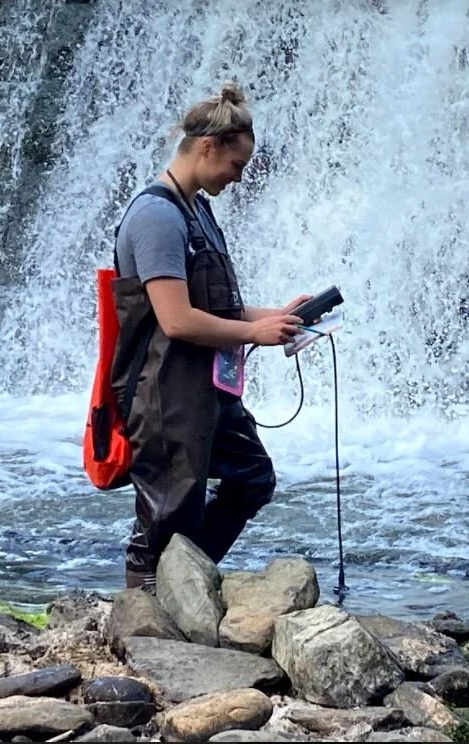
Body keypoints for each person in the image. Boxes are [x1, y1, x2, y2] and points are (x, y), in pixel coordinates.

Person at [110, 82, 307, 592]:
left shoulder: (196, 209)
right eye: (236, 166)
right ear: (207, 148)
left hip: (205, 389)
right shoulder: (156, 216)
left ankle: (189, 585)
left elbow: (214, 308)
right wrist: (253, 333)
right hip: (162, 392)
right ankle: (147, 613)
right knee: (167, 515)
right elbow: (175, 320)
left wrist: (279, 318)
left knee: (251, 479)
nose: (237, 178)